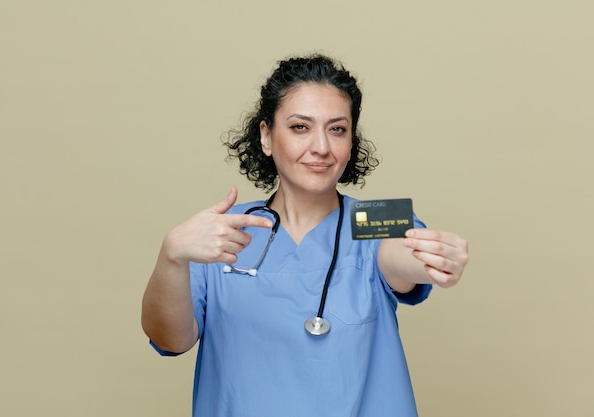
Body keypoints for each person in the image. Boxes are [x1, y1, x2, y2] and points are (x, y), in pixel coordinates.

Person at [141, 54, 469, 417]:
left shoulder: (370, 220)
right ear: (266, 136)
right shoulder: (223, 231)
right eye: (300, 127)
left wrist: (433, 259)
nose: (322, 147)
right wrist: (171, 256)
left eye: (337, 129)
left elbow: (403, 256)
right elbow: (170, 339)